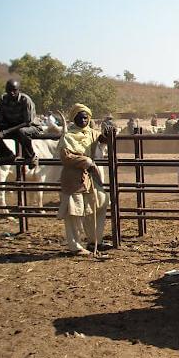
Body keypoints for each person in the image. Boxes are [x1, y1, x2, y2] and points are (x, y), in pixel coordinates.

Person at [58, 103, 111, 255]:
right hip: (73, 178)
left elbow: (103, 139)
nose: (83, 120)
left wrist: (108, 134)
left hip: (90, 177)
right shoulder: (68, 136)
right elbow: (66, 157)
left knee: (100, 203)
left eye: (85, 117)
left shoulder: (92, 133)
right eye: (80, 118)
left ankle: (95, 240)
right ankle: (75, 246)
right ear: (74, 119)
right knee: (74, 211)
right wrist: (86, 161)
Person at [0, 79, 42, 167]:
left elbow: (27, 122)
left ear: (19, 90)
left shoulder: (25, 100)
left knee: (22, 131)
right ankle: (6, 155)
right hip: (11, 126)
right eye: (9, 90)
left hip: (30, 126)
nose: (12, 93)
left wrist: (5, 132)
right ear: (6, 90)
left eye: (14, 90)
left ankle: (31, 156)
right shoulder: (3, 99)